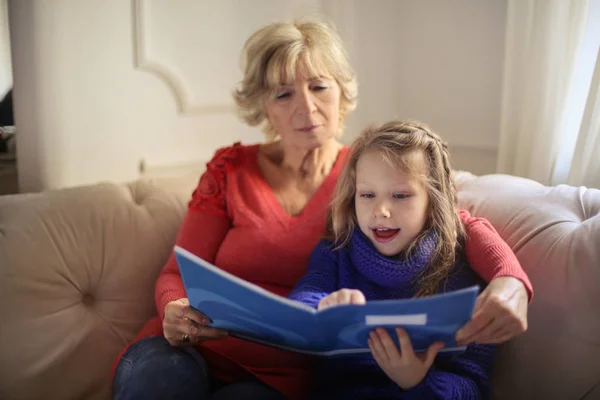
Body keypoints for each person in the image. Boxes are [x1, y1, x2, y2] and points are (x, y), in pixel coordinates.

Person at [111, 19, 532, 400]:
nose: (306, 108)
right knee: (158, 381)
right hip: (185, 352)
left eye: (318, 86)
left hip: (271, 378)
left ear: (341, 91)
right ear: (264, 105)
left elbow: (454, 222)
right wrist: (174, 310)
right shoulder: (230, 169)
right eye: (284, 93)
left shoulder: (369, 174)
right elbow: (175, 272)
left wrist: (511, 281)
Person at [289, 120, 495, 399]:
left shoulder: (460, 272)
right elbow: (304, 298)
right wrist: (323, 306)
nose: (381, 210)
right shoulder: (336, 253)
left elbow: (472, 386)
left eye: (400, 195)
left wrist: (419, 381)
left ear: (433, 202)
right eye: (367, 195)